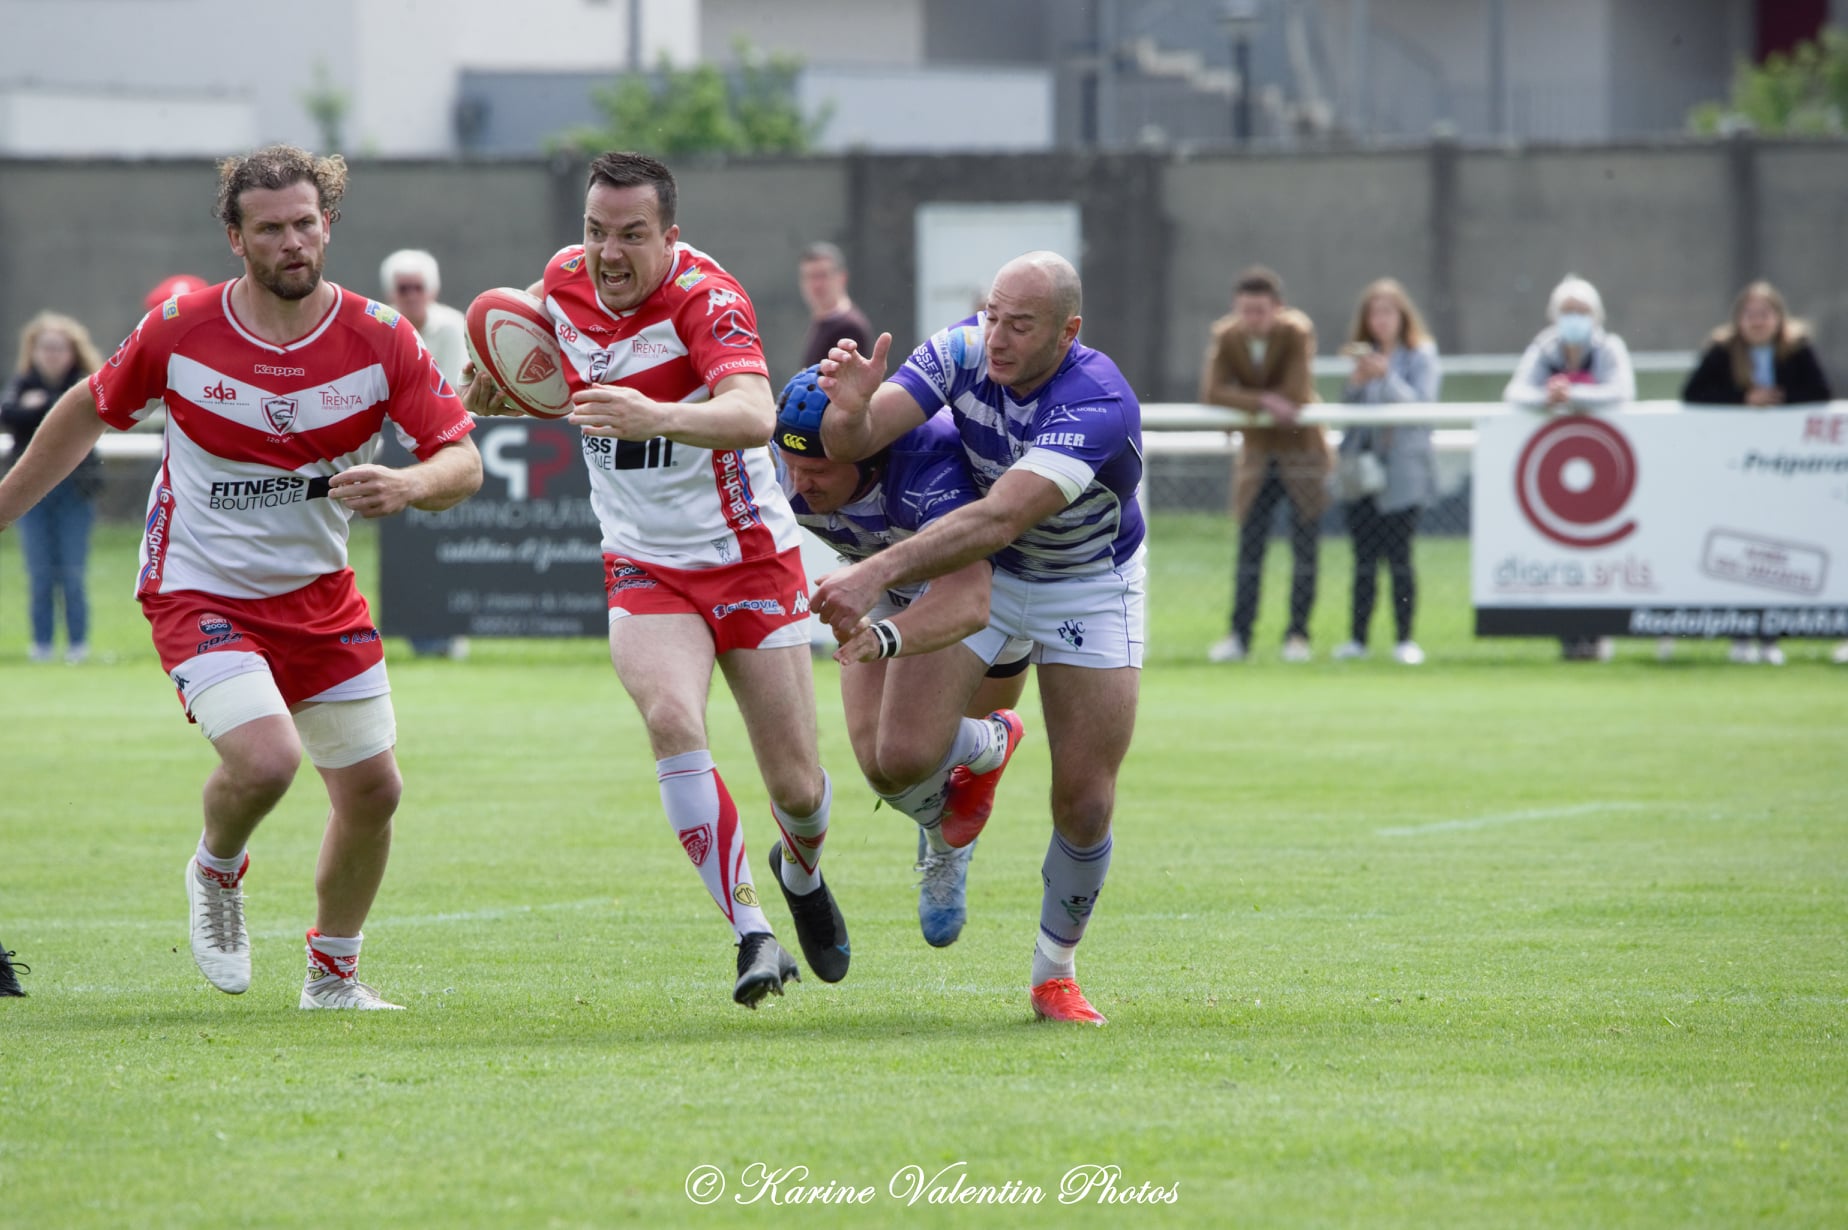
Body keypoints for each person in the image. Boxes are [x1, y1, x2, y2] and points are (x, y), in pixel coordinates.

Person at [0, 144, 483, 1010]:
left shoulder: (380, 336)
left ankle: (332, 978)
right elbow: (89, 407)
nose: (292, 241)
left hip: (318, 591)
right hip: (199, 586)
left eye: (306, 223)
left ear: (328, 225)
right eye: (269, 229)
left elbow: (462, 461)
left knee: (374, 791)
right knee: (266, 761)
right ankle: (217, 869)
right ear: (235, 237)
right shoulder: (180, 328)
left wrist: (410, 485)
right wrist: (4, 507)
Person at [463, 152, 841, 1008]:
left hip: (747, 555)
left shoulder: (709, 299)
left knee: (799, 790)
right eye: (596, 231)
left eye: (632, 235)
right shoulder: (563, 280)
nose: (608, 253)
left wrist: (654, 415)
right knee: (671, 717)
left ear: (670, 236)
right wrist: (495, 388)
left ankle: (802, 871)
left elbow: (754, 412)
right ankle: (752, 932)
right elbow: (525, 363)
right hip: (643, 559)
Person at [815, 251, 1145, 1027]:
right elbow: (859, 438)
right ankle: (967, 801)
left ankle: (1054, 975)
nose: (996, 337)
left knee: (1085, 801)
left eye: (1020, 325)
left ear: (1068, 332)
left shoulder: (1097, 399)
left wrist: (873, 574)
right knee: (899, 760)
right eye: (992, 314)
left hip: (1087, 584)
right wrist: (851, 413)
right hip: (981, 573)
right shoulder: (962, 348)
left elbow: (1001, 515)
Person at [773, 365, 1028, 948]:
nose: (800, 484)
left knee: (909, 753)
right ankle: (948, 841)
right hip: (884, 581)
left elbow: (969, 598)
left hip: (987, 591)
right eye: (792, 466)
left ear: (865, 453)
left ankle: (994, 740)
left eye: (818, 471)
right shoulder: (777, 466)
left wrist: (884, 637)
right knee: (881, 769)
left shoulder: (927, 466)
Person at [1681, 280, 1836, 667]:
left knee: (1781, 554)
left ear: (1778, 317)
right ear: (1738, 319)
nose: (1757, 322)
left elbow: (1820, 393)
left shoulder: (1797, 350)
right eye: (1750, 315)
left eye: (1764, 314)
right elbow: (1693, 394)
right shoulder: (1721, 352)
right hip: (1735, 472)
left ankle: (1771, 636)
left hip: (1787, 472)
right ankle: (1740, 633)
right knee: (1740, 552)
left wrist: (1776, 402)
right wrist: (1742, 400)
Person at [1504, 274, 1636, 662]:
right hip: (1556, 470)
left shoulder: (1609, 349)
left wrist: (1573, 395)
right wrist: (1547, 397)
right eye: (1567, 311)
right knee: (1562, 554)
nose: (1574, 318)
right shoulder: (1544, 350)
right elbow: (1515, 392)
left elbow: (1621, 392)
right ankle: (1570, 636)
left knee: (1599, 555)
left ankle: (1597, 633)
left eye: (1581, 311)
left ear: (1596, 315)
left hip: (1606, 469)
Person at [1199, 266, 1328, 663]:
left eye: (1260, 310)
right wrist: (1264, 402)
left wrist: (1247, 399)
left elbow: (1296, 391)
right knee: (1250, 548)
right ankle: (1240, 635)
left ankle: (1298, 635)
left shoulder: (1296, 333)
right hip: (1257, 456)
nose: (1252, 319)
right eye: (1245, 310)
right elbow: (1212, 391)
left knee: (1304, 549)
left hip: (1301, 453)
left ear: (1278, 308)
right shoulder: (1227, 336)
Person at [1330, 279, 1442, 666]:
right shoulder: (1363, 356)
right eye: (1374, 313)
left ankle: (1405, 639)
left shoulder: (1421, 355)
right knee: (1363, 560)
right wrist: (1357, 382)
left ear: (1402, 315)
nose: (1381, 320)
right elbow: (1349, 413)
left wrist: (1386, 377)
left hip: (1403, 472)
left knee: (1399, 558)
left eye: (1388, 312)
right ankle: (1358, 639)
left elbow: (1421, 406)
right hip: (1362, 472)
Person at [381, 248, 472, 660]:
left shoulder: (452, 328)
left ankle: (447, 631)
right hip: (390, 449)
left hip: (441, 446)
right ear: (392, 292)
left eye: (418, 287)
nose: (412, 295)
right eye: (403, 288)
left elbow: (454, 397)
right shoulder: (380, 327)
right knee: (405, 546)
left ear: (432, 290)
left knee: (448, 541)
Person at [3, 313, 106, 663]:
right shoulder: (22, 384)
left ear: (73, 351)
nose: (52, 355)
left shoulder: (83, 385)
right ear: (33, 351)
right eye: (45, 348)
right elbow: (10, 415)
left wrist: (43, 404)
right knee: (40, 572)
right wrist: (41, 406)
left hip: (73, 491)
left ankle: (78, 644)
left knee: (72, 571)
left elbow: (85, 415)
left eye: (59, 348)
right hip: (32, 495)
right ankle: (42, 645)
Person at [797, 242, 872, 370]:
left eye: (823, 275)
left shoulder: (849, 327)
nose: (816, 285)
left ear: (842, 278)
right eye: (810, 277)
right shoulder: (822, 322)